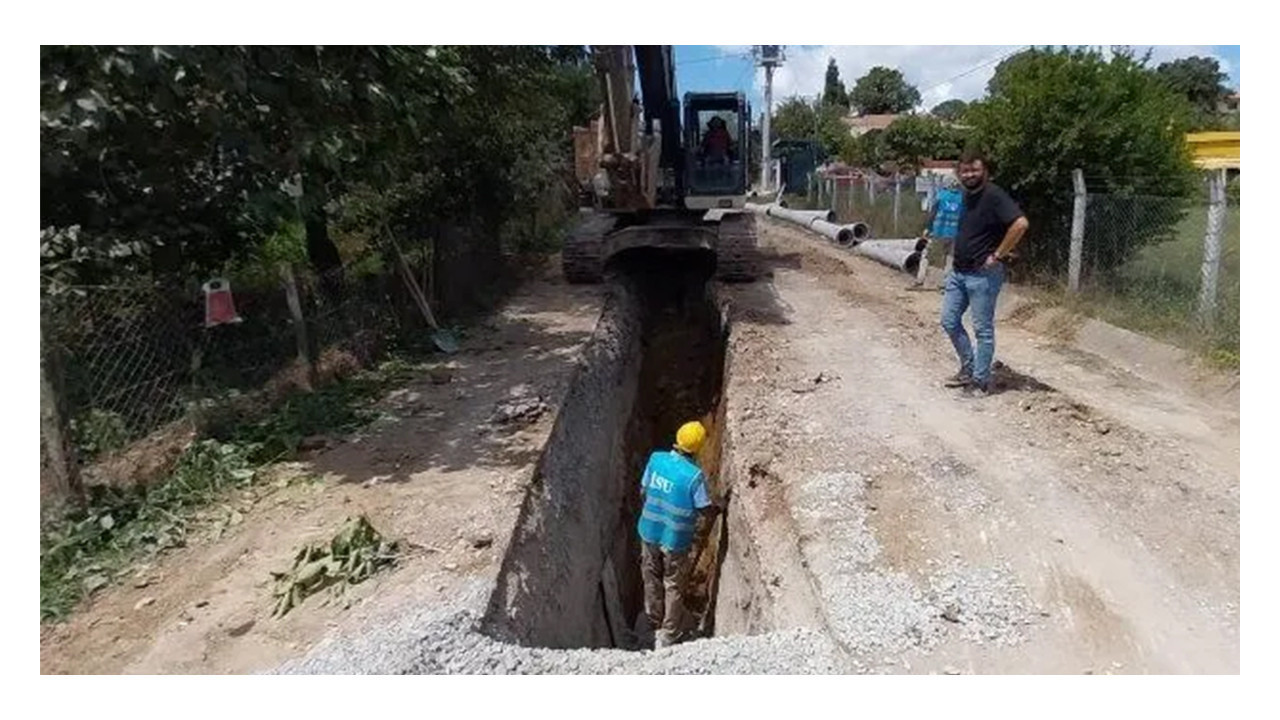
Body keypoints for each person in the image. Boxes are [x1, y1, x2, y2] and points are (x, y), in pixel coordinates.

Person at [941, 149, 1029, 396]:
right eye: (965, 170)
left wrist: (998, 254)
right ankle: (969, 368)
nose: (969, 174)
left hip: (983, 275)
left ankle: (980, 381)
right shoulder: (965, 195)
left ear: (985, 171)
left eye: (974, 170)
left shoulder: (993, 195)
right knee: (948, 320)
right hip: (959, 272)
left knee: (983, 330)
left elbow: (1020, 224)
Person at [636, 420, 717, 648]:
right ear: (698, 447)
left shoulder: (656, 460)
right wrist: (716, 507)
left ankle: (653, 619)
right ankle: (670, 633)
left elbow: (643, 490)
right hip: (675, 540)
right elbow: (703, 509)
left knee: (650, 574)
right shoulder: (694, 476)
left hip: (649, 530)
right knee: (673, 583)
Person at [917, 174, 964, 289]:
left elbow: (933, 213)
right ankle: (946, 283)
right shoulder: (962, 198)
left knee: (927, 254)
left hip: (938, 231)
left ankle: (921, 279)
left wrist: (928, 228)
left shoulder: (941, 195)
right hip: (954, 233)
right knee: (950, 257)